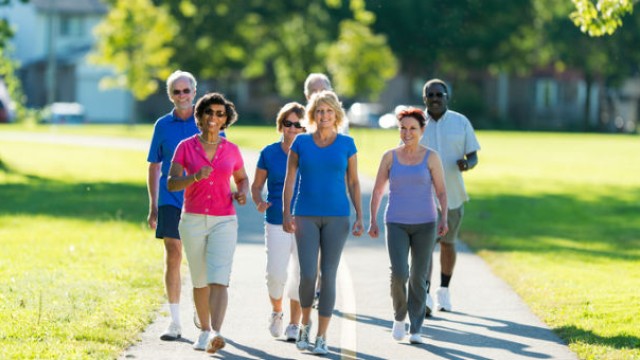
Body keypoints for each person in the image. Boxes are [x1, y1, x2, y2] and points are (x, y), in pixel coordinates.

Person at [283, 90, 364, 355]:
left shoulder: (347, 143)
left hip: (337, 216)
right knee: (307, 275)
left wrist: (360, 216)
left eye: (329, 111)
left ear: (337, 115)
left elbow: (353, 181)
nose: (324, 115)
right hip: (305, 214)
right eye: (319, 111)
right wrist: (286, 213)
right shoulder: (301, 143)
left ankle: (322, 336)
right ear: (313, 114)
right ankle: (305, 324)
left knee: (328, 275)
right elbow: (290, 180)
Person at [167, 92, 249, 354]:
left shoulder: (232, 150)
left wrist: (242, 192)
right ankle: (203, 330)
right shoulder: (185, 147)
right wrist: (194, 177)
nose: (214, 118)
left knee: (220, 278)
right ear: (200, 117)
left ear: (226, 120)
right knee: (200, 280)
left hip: (224, 219)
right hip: (192, 220)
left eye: (219, 114)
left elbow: (242, 178)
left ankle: (216, 332)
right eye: (209, 113)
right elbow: (171, 182)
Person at [368, 107, 448, 344]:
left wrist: (444, 218)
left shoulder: (431, 157)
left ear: (422, 130)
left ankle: (416, 328)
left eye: (412, 128)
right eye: (403, 128)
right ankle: (399, 317)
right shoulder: (389, 156)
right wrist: (372, 219)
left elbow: (442, 191)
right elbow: (378, 190)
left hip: (426, 223)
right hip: (396, 223)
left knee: (418, 276)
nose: (407, 132)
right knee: (399, 273)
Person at [146, 70, 202, 341]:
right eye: (176, 92)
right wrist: (153, 204)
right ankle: (175, 320)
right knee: (173, 252)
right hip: (170, 199)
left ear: (194, 92)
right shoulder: (162, 125)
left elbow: (222, 161)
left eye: (186, 91)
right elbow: (154, 165)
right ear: (170, 95)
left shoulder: (207, 122)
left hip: (200, 200)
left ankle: (201, 310)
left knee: (198, 258)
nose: (182, 96)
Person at [419, 79, 481, 315]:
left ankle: (443, 291)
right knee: (425, 247)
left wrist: (469, 164)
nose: (435, 98)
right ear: (424, 98)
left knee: (448, 244)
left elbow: (473, 154)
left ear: (447, 97)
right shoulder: (416, 122)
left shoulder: (460, 122)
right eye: (431, 95)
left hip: (453, 196)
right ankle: (424, 295)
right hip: (424, 197)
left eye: (439, 94)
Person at [251, 102, 306, 341]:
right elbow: (255, 186)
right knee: (275, 275)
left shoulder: (312, 151)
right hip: (275, 220)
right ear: (281, 125)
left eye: (298, 124)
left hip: (306, 221)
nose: (293, 128)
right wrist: (258, 200)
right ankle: (276, 310)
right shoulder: (269, 153)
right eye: (288, 123)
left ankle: (294, 324)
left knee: (301, 274)